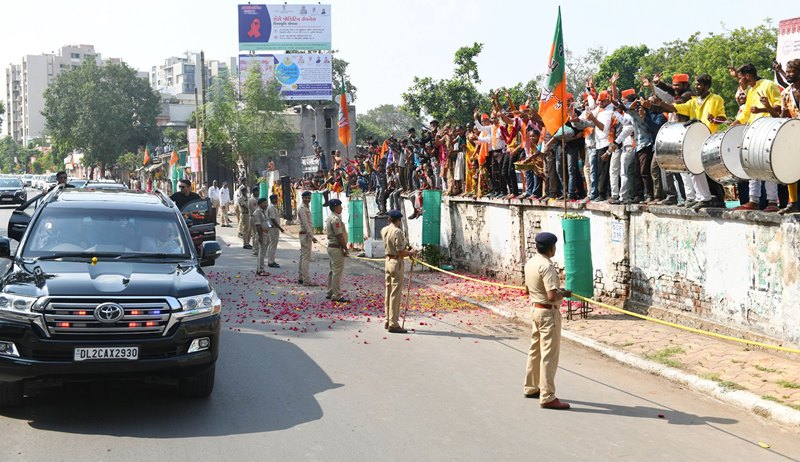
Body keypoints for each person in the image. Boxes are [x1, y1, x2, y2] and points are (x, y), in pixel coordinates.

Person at [651, 73, 727, 209]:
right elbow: (676, 108)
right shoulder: (693, 101)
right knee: (694, 169)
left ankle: (716, 199)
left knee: (710, 172)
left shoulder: (716, 99)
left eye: (699, 84)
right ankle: (702, 197)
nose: (696, 87)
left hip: (709, 138)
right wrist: (660, 104)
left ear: (707, 86)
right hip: (695, 139)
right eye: (696, 84)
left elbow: (723, 118)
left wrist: (714, 120)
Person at [523, 232, 572, 410]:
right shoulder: (546, 266)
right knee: (549, 355)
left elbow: (527, 288)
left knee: (535, 350)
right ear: (551, 248)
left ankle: (531, 386)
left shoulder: (531, 263)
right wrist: (564, 293)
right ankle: (548, 395)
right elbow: (552, 296)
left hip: (535, 309)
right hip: (548, 312)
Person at [731, 64, 782, 212]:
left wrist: (765, 108)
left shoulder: (769, 85)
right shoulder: (751, 90)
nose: (739, 81)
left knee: (767, 166)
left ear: (747, 76)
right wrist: (733, 125)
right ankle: (753, 201)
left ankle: (772, 202)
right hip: (753, 132)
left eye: (740, 78)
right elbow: (745, 114)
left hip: (768, 130)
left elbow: (778, 108)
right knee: (752, 166)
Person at [382, 210, 416, 333]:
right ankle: (393, 323)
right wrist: (411, 253)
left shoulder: (384, 230)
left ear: (389, 219)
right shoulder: (397, 231)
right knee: (395, 294)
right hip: (396, 262)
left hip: (387, 261)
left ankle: (388, 319)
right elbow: (401, 251)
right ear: (399, 220)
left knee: (388, 291)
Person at [779, 59, 800, 215]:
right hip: (794, 135)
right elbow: (784, 116)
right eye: (787, 71)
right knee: (791, 167)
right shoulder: (785, 93)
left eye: (792, 71)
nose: (789, 74)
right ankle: (793, 203)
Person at [325, 199, 349, 303]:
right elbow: (339, 236)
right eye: (340, 206)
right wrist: (345, 248)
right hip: (336, 247)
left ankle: (330, 291)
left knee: (332, 271)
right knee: (337, 272)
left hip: (332, 247)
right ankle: (336, 294)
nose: (341, 208)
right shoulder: (335, 219)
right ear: (335, 207)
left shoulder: (331, 217)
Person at [297, 191, 318, 285]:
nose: (308, 200)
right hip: (305, 234)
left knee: (303, 256)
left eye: (309, 198)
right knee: (306, 257)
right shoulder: (302, 209)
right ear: (302, 198)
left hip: (305, 234)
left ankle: (301, 277)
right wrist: (311, 236)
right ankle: (306, 280)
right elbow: (305, 224)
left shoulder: (306, 207)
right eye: (306, 198)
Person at [252, 197, 270, 276]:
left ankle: (260, 268)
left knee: (263, 252)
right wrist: (260, 236)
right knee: (261, 253)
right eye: (264, 203)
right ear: (260, 204)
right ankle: (260, 270)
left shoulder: (263, 211)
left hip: (266, 233)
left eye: (266, 203)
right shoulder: (257, 213)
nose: (265, 205)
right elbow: (258, 226)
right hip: (262, 234)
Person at [266, 194, 283, 268]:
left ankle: (271, 260)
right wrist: (280, 228)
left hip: (273, 227)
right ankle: (271, 261)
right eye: (275, 199)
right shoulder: (271, 208)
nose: (276, 200)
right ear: (272, 200)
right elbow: (273, 219)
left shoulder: (272, 207)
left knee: (272, 245)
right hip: (273, 228)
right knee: (273, 244)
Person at [248, 186, 260, 256]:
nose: (258, 192)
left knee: (257, 234)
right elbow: (255, 210)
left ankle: (257, 248)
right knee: (256, 234)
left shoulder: (257, 199)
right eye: (256, 191)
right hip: (254, 217)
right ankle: (255, 249)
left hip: (257, 217)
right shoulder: (252, 200)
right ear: (254, 192)